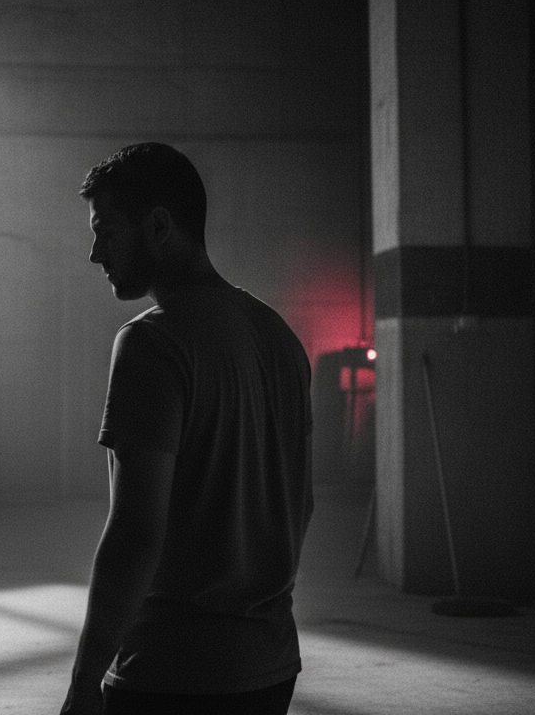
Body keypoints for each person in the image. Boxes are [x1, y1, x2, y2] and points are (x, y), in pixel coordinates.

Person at [61, 143, 313, 715]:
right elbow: (304, 502)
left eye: (104, 230)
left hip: (172, 674)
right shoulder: (280, 338)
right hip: (270, 668)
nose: (94, 252)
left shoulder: (152, 343)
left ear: (157, 226)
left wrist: (82, 686)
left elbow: (134, 532)